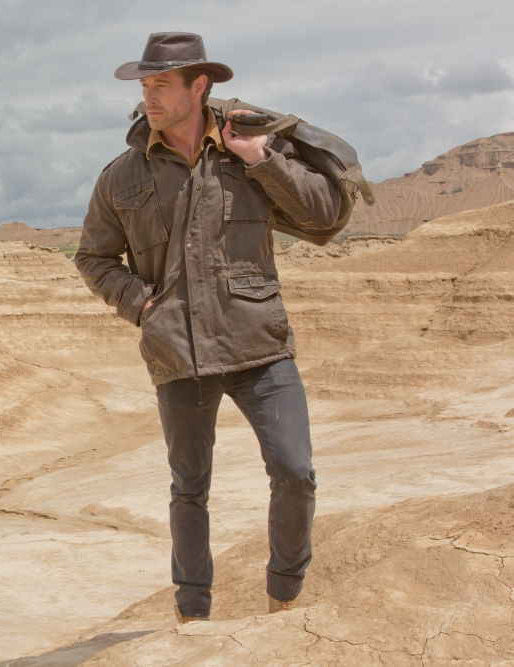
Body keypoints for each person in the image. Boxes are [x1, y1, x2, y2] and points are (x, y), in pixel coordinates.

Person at [73, 32, 341, 622]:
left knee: (295, 471)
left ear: (199, 86)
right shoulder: (120, 176)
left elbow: (323, 217)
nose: (149, 96)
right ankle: (193, 613)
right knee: (189, 489)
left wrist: (263, 160)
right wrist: (142, 305)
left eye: (161, 84)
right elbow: (93, 258)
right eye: (144, 85)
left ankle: (284, 597)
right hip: (178, 351)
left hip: (258, 342)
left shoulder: (251, 154)